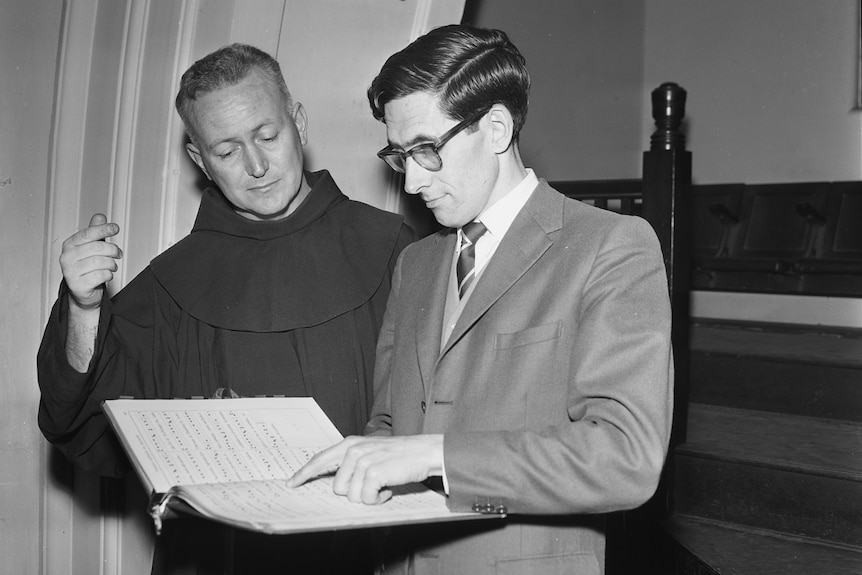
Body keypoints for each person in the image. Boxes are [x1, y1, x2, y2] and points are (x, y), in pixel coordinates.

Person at [287, 24, 674, 574]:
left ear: (495, 127)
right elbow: (389, 425)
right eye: (400, 156)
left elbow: (625, 457)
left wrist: (431, 455)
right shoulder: (415, 265)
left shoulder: (609, 247)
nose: (414, 182)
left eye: (426, 150)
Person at [37, 43, 414, 574]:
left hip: (369, 552)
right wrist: (80, 307)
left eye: (267, 136)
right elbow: (78, 422)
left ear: (298, 124)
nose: (257, 167)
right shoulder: (171, 285)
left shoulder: (393, 247)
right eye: (228, 151)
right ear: (200, 160)